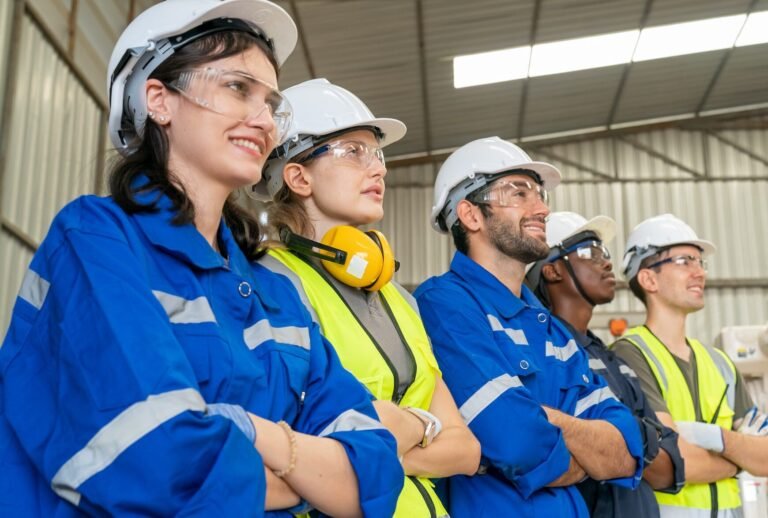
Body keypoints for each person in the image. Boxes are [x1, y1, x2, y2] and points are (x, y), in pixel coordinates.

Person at [0, 1, 403, 516]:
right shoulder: (97, 239)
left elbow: (375, 474)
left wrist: (246, 429)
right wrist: (308, 476)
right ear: (158, 100)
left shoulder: (274, 294)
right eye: (238, 88)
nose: (264, 121)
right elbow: (158, 462)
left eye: (271, 103)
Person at [255, 78, 481, 518]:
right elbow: (292, 444)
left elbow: (466, 449)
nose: (378, 169)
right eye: (353, 152)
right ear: (298, 177)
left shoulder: (399, 298)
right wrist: (425, 427)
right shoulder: (270, 282)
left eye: (377, 154)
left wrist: (367, 455)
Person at [414, 137, 644, 516]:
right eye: (518, 193)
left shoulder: (551, 328)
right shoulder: (444, 305)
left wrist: (549, 419)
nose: (542, 209)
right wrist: (584, 453)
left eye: (540, 195)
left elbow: (626, 452)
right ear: (471, 215)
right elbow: (515, 441)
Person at [525, 211, 685, 517]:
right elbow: (546, 452)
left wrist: (615, 441)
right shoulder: (542, 358)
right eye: (589, 251)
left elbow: (670, 469)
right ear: (552, 271)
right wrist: (643, 436)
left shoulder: (614, 360)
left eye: (605, 252)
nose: (607, 262)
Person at [612, 213, 768, 517]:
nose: (699, 273)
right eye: (685, 261)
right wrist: (741, 455)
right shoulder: (629, 355)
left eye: (700, 262)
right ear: (648, 278)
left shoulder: (720, 363)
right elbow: (672, 460)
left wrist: (712, 438)